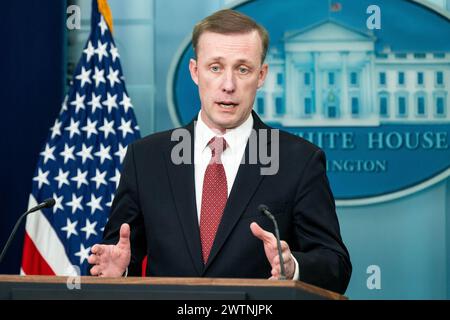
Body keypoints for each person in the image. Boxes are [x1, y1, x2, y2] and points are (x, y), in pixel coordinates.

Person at [88, 9, 352, 294]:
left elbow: (335, 265)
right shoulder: (146, 158)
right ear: (194, 71)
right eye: (215, 67)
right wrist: (119, 271)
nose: (228, 85)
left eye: (242, 69)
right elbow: (122, 251)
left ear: (261, 75)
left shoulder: (299, 161)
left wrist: (293, 267)